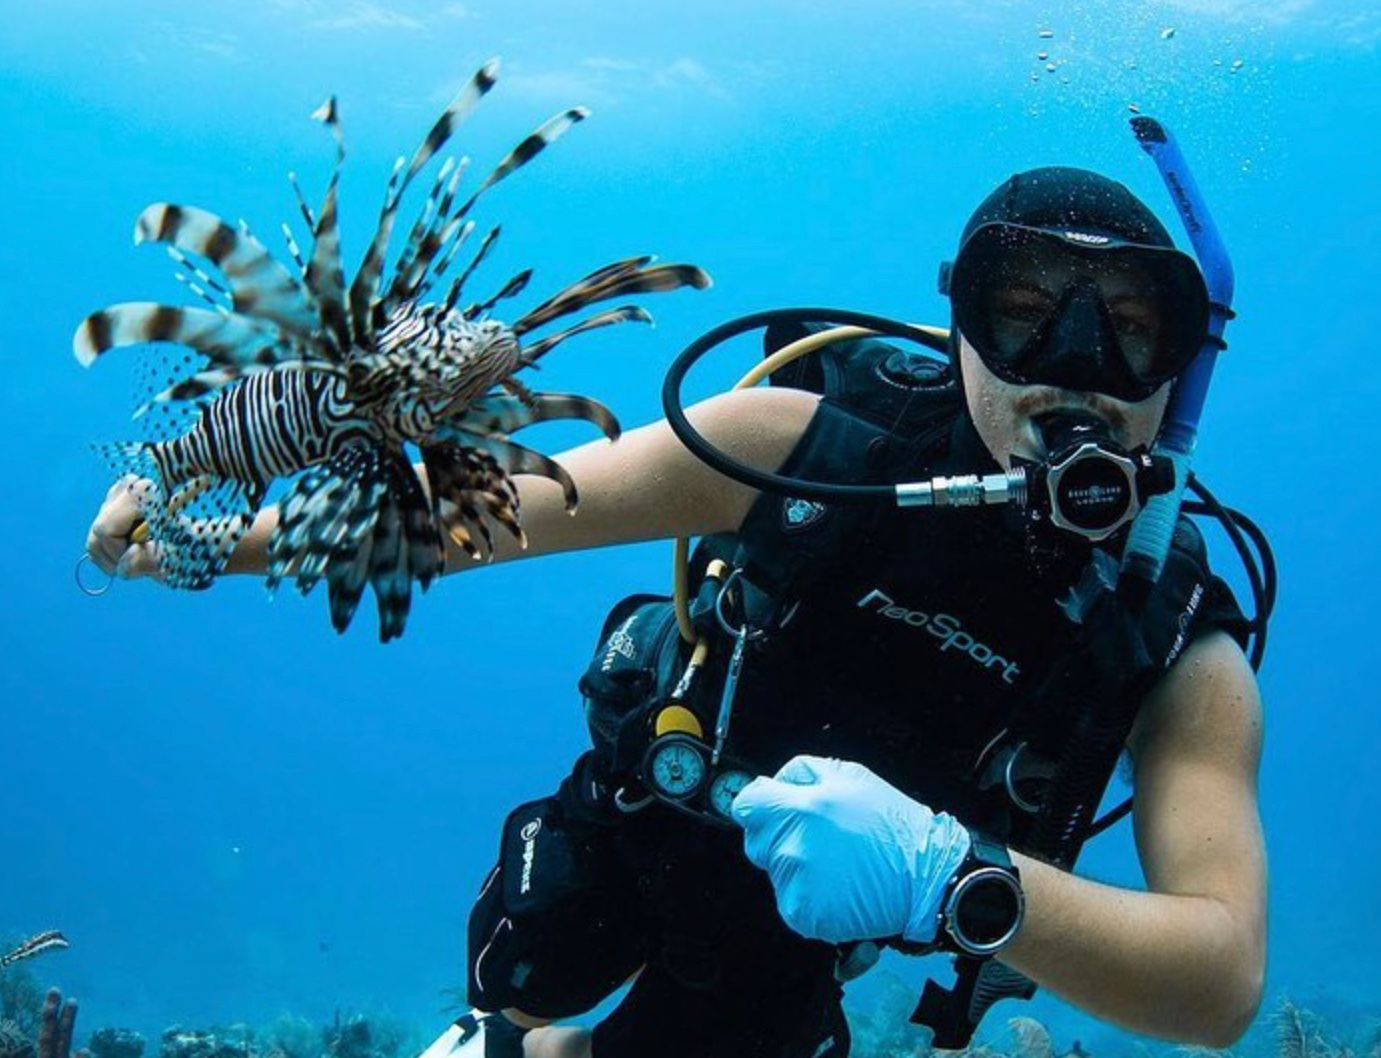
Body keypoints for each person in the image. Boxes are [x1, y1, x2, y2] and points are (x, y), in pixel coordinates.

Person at [87, 167, 1268, 1058]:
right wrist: (199, 543)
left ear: (1182, 359)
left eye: (1130, 324)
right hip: (661, 793)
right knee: (526, 961)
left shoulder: (1172, 639)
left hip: (805, 928)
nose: (1074, 364)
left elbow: (1220, 980)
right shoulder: (804, 449)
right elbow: (483, 518)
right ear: (960, 329)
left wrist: (945, 876)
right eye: (1025, 311)